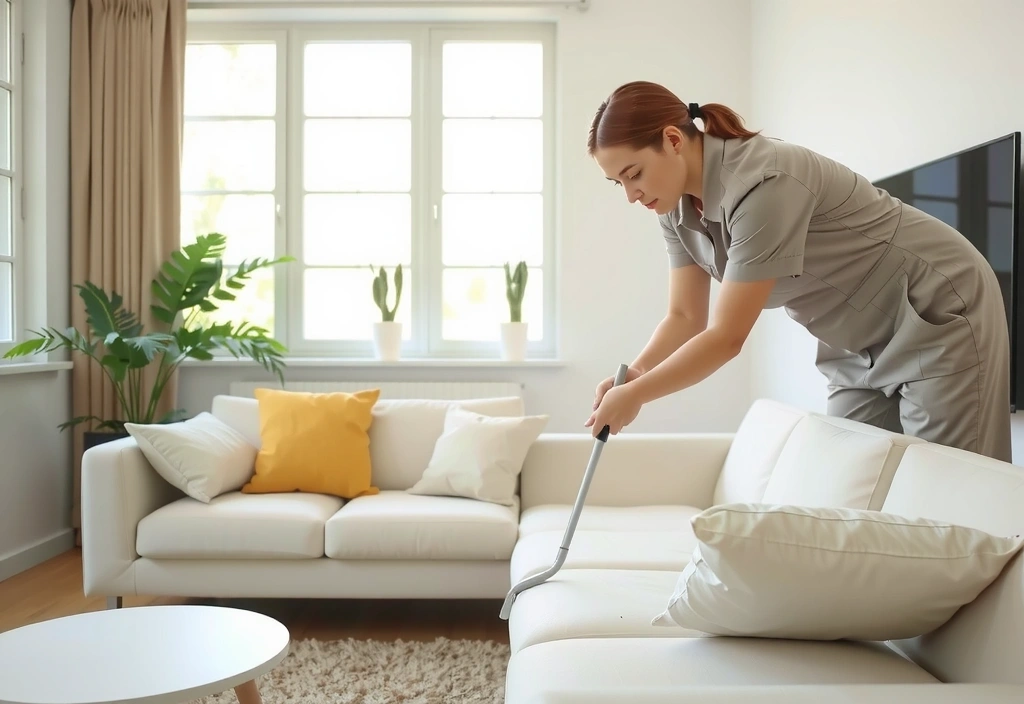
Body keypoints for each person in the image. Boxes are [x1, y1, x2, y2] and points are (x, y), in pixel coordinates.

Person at [583, 80, 1013, 463]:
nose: (631, 195)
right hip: (853, 343)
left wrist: (637, 396)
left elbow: (726, 337)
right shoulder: (673, 208)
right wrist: (636, 373)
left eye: (634, 174)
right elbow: (684, 316)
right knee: (848, 490)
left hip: (934, 309)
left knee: (947, 491)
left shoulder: (764, 181)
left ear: (673, 139)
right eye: (618, 182)